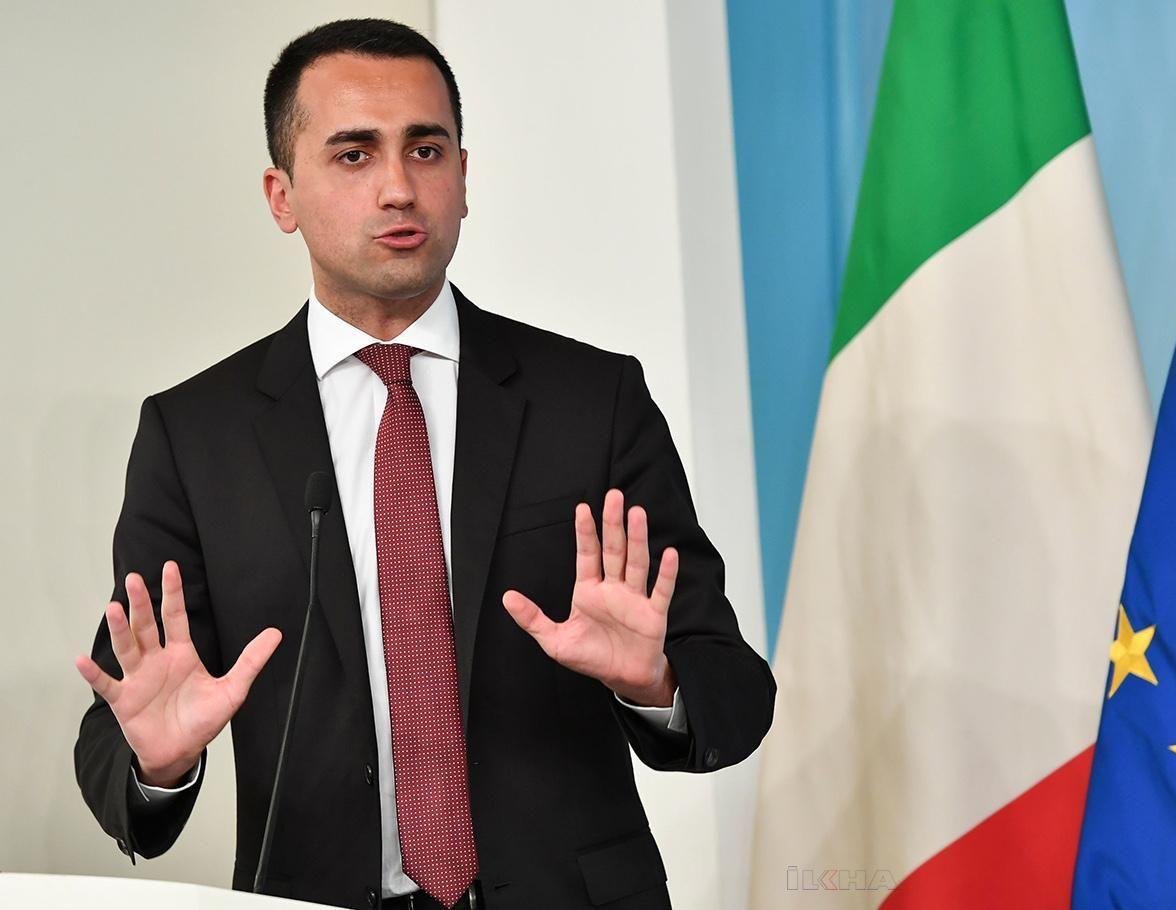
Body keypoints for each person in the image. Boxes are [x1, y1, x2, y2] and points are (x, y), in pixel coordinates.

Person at [71, 18, 775, 910]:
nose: (400, 188)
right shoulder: (196, 436)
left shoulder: (591, 401)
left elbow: (733, 692)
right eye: (354, 155)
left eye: (427, 150)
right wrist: (158, 764)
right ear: (282, 196)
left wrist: (657, 685)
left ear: (464, 178)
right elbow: (120, 728)